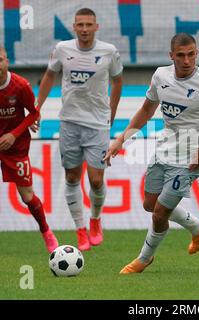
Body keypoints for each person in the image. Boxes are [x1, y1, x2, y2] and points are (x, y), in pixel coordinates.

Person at [104, 33, 199, 273]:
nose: (187, 60)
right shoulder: (160, 76)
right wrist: (121, 139)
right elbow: (146, 110)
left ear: (197, 53)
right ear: (172, 56)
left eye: (191, 54)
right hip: (163, 151)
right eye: (181, 55)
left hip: (190, 160)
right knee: (150, 204)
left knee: (159, 214)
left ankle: (144, 258)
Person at [35, 8, 123, 251]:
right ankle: (80, 229)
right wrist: (37, 107)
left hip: (97, 124)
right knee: (72, 177)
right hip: (70, 122)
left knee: (96, 180)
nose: (84, 29)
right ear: (74, 27)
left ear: (96, 27)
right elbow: (49, 76)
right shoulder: (62, 49)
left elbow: (117, 81)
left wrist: (112, 112)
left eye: (88, 24)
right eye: (80, 25)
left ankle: (95, 220)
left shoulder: (109, 52)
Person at [0, 46, 59, 253]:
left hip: (15, 147)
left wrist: (14, 134)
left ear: (7, 61)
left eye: (0, 60)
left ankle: (46, 232)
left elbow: (33, 114)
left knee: (26, 196)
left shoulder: (20, 85)